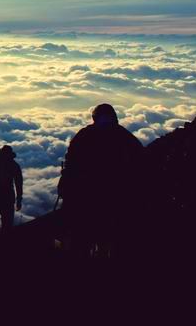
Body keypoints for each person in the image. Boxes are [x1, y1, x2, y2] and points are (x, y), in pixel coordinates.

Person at [58, 103, 144, 256]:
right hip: (115, 197)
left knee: (82, 238)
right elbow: (140, 162)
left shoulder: (84, 135)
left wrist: (66, 187)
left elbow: (71, 164)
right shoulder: (124, 136)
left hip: (86, 197)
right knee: (110, 237)